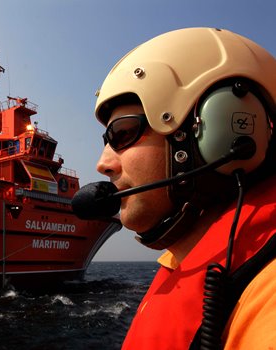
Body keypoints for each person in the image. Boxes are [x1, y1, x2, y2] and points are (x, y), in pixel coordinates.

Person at [94, 27, 276, 349]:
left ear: (223, 130)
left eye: (122, 134)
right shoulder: (186, 261)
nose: (103, 163)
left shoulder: (268, 295)